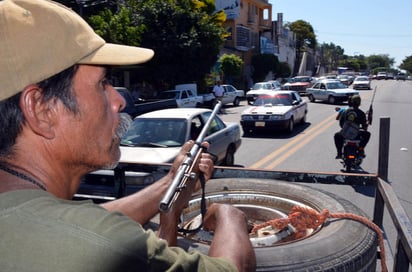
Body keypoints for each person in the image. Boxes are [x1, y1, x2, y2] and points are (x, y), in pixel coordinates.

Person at [0, 1, 256, 271]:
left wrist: (171, 182)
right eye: (103, 83)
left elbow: (80, 222)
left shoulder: (28, 217)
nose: (119, 100)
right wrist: (230, 215)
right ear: (41, 110)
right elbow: (232, 268)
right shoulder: (99, 247)